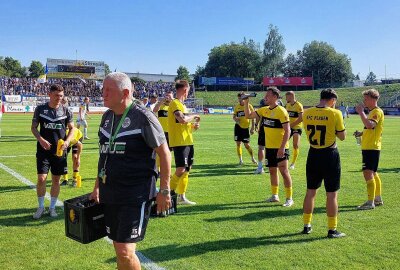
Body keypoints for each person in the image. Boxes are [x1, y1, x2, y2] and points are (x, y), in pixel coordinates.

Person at [89, 72, 171, 270]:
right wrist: (97, 186)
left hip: (135, 194)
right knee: (120, 249)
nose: (103, 94)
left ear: (125, 92)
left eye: (108, 90)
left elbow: (164, 153)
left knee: (125, 251)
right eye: (103, 89)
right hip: (110, 192)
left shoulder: (144, 117)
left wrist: (165, 190)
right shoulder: (107, 117)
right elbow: (104, 156)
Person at [301, 88, 346, 238]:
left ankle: (307, 225)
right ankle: (332, 229)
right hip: (329, 155)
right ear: (332, 100)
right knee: (332, 194)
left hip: (313, 153)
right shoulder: (335, 113)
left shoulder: (306, 112)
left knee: (310, 191)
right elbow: (342, 136)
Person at [244, 87, 294, 207]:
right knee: (272, 171)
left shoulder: (281, 111)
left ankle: (289, 198)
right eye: (265, 95)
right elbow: (248, 116)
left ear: (275, 97)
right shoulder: (264, 110)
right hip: (269, 148)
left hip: (281, 147)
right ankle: (275, 195)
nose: (265, 97)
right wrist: (246, 102)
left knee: (284, 171)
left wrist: (282, 148)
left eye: (268, 95)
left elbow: (288, 131)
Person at [31, 84, 75, 219]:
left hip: (60, 152)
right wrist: (41, 139)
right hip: (43, 150)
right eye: (56, 95)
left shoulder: (66, 110)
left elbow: (72, 129)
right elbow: (33, 128)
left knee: (56, 180)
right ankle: (40, 207)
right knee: (41, 178)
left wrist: (67, 142)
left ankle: (52, 208)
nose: (59, 98)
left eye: (61, 96)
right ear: (49, 94)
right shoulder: (40, 109)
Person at [168, 80, 200, 205]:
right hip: (179, 142)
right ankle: (167, 192)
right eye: (188, 91)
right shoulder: (175, 103)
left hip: (188, 140)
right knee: (181, 169)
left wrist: (193, 126)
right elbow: (181, 119)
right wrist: (194, 116)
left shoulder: (182, 105)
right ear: (185, 89)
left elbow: (184, 124)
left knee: (187, 169)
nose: (188, 93)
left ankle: (182, 196)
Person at [355, 89, 384, 210]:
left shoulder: (376, 112)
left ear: (373, 99)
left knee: (368, 173)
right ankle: (377, 198)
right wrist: (361, 133)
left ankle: (370, 202)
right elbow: (370, 128)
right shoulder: (372, 112)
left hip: (371, 147)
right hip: (370, 146)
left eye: (366, 99)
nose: (364, 101)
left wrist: (361, 112)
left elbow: (370, 125)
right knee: (373, 173)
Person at [233, 92, 256, 165]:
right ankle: (240, 160)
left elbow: (253, 118)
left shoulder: (249, 106)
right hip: (238, 127)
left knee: (246, 145)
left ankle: (252, 158)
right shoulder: (237, 107)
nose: (240, 100)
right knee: (238, 144)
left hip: (246, 128)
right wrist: (236, 119)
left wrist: (252, 127)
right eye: (239, 98)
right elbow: (234, 117)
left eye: (241, 98)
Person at [285, 91, 304, 170]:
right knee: (284, 143)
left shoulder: (298, 105)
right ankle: (285, 160)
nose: (286, 98)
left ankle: (293, 163)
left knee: (295, 145)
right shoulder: (287, 105)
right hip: (288, 127)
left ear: (291, 96)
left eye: (287, 97)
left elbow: (301, 118)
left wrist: (290, 125)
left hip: (297, 127)